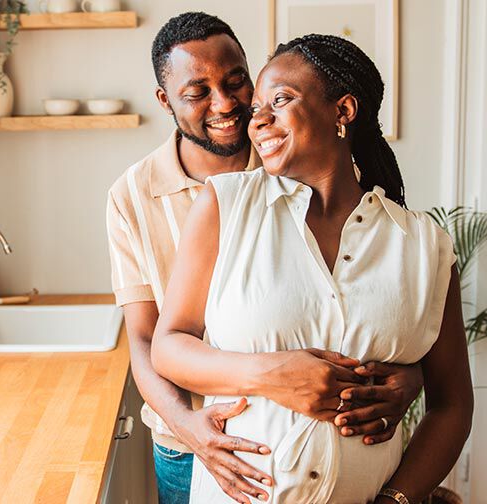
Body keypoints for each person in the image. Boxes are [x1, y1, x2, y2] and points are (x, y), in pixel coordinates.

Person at [106, 14, 426, 504]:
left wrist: (411, 376)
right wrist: (191, 427)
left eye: (236, 82)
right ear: (165, 100)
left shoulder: (296, 158)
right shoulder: (132, 196)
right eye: (198, 92)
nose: (226, 104)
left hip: (327, 443)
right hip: (189, 436)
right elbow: (148, 339)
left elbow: (368, 302)